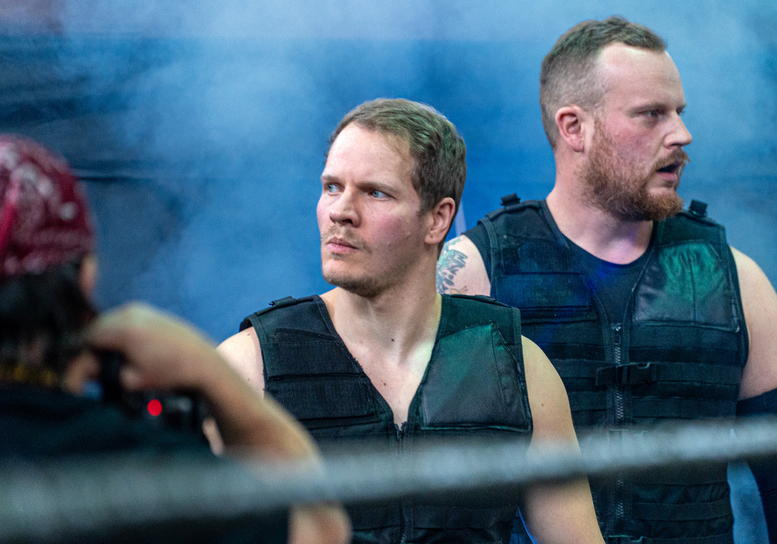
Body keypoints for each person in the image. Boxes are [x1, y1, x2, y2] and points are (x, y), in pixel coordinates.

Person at [436, 16, 777, 544]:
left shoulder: (737, 281)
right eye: (651, 114)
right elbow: (420, 497)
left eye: (679, 113)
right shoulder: (473, 272)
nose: (681, 134)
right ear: (574, 128)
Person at [218, 98, 604, 544]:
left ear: (438, 219)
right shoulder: (249, 367)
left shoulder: (519, 370)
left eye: (375, 192)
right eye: (332, 187)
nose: (341, 211)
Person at [0, 133, 350, 544]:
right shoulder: (138, 468)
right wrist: (211, 373)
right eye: (332, 187)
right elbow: (318, 529)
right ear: (85, 278)